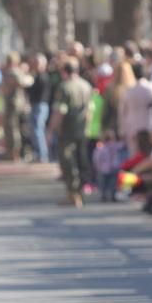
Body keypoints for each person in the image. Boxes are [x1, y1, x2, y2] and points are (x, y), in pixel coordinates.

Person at [49, 57, 92, 208]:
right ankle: (80, 192)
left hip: (67, 130)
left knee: (68, 162)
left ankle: (73, 194)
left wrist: (51, 130)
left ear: (64, 71)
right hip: (82, 129)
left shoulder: (65, 87)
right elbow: (90, 110)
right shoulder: (86, 86)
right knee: (81, 161)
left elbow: (60, 110)